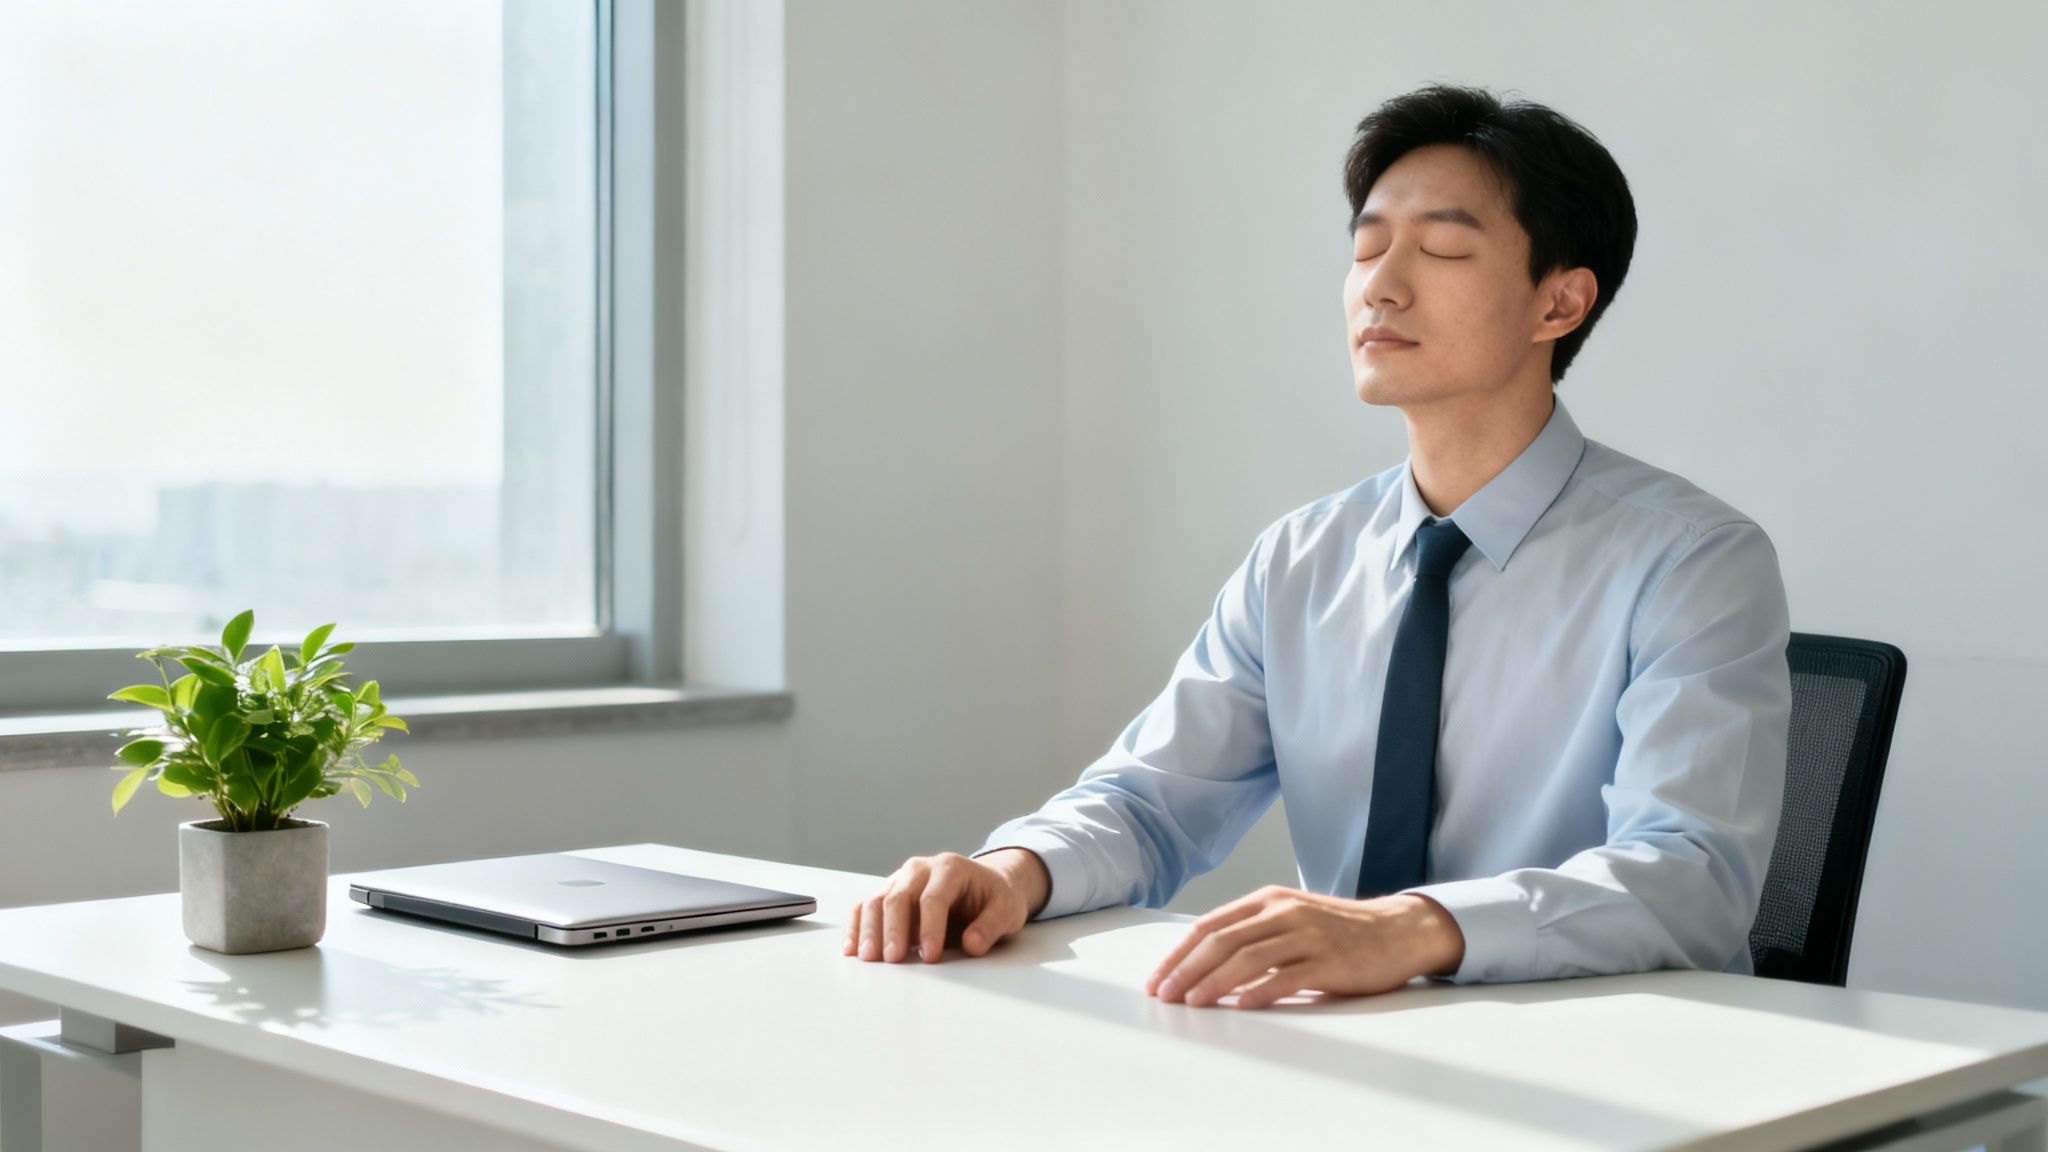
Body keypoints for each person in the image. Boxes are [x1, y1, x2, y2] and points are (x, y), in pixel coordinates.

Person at [843, 82, 1791, 1010]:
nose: (1380, 284)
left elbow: (1690, 877)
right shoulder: (1301, 558)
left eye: (1444, 248)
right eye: (1367, 247)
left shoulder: (1692, 561)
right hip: (1349, 1047)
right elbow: (1152, 802)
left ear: (1559, 304)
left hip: (1613, 1061)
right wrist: (1014, 870)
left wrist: (1411, 930)